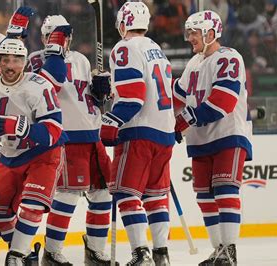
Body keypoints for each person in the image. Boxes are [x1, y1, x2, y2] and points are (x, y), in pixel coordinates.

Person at [0, 37, 67, 264]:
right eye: (5, 60)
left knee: (32, 204)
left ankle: (16, 256)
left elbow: (53, 131)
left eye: (16, 60)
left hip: (44, 153)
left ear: (24, 62)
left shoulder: (39, 86)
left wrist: (16, 126)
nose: (10, 65)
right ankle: (25, 253)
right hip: (10, 156)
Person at [27, 15, 114, 265]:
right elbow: (43, 92)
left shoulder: (82, 60)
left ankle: (95, 249)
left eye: (63, 36)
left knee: (103, 193)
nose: (60, 41)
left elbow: (90, 100)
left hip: (92, 135)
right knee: (66, 196)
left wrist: (101, 92)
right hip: (67, 137)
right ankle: (52, 252)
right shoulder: (36, 61)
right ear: (44, 37)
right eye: (53, 35)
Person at [172, 10, 253, 266]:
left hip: (228, 135)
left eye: (194, 32)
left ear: (210, 32)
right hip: (200, 140)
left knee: (224, 189)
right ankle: (219, 249)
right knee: (204, 196)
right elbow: (178, 96)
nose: (190, 38)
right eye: (189, 33)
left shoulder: (229, 58)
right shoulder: (194, 63)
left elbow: (223, 102)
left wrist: (185, 119)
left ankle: (229, 251)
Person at [101, 2, 176, 265]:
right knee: (155, 196)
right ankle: (161, 253)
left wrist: (111, 120)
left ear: (122, 25)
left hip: (138, 130)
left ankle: (140, 253)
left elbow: (133, 98)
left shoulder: (124, 47)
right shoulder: (156, 48)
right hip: (165, 131)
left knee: (126, 193)